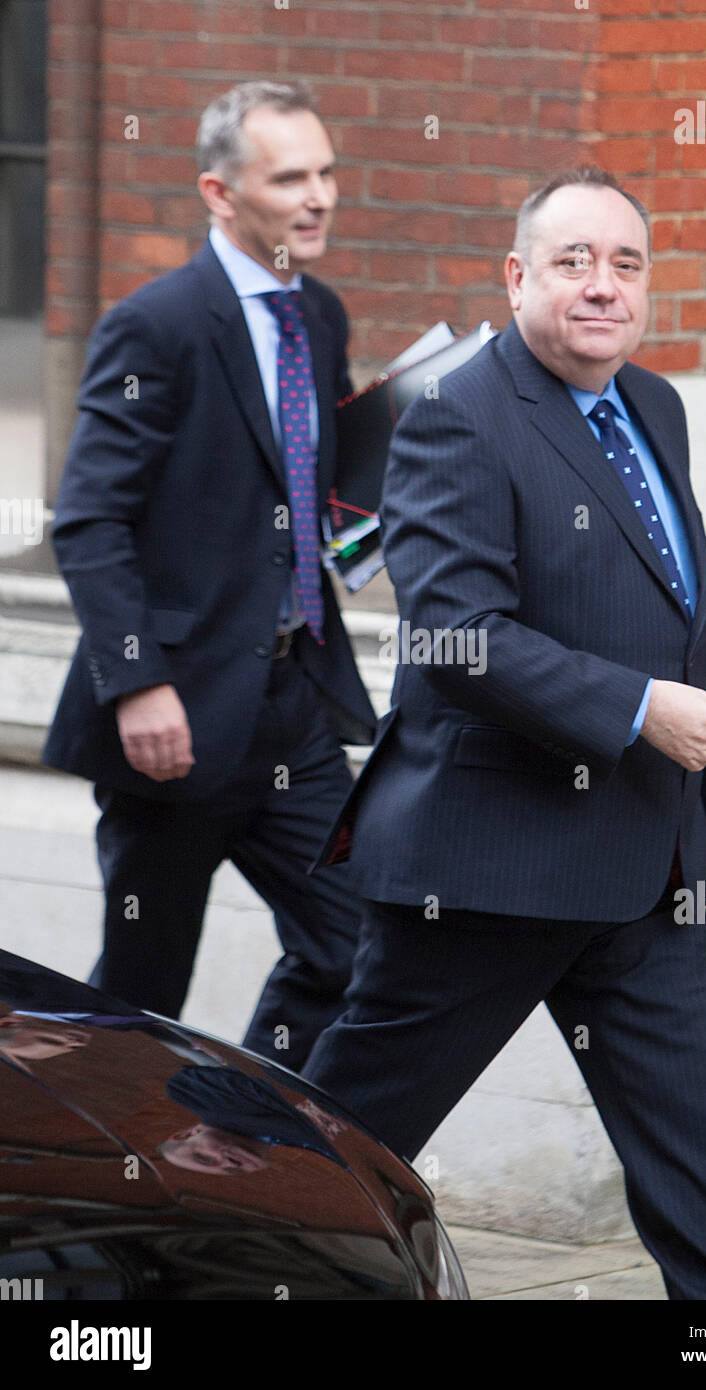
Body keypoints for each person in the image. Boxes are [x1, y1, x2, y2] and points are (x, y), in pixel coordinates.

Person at [301, 168, 706, 1300]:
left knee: (703, 1170)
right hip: (486, 874)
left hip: (642, 872)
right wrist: (637, 707)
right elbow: (457, 637)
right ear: (516, 277)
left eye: (624, 264)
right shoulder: (457, 415)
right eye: (572, 262)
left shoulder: (653, 406)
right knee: (335, 1158)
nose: (601, 287)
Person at [42, 81, 376, 1069]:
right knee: (140, 992)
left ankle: (241, 1131)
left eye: (326, 172)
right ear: (220, 194)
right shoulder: (157, 325)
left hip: (295, 702)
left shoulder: (318, 315)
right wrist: (139, 679)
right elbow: (90, 516)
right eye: (289, 177)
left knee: (358, 946)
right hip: (174, 720)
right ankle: (107, 1196)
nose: (318, 196)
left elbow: (302, 492)